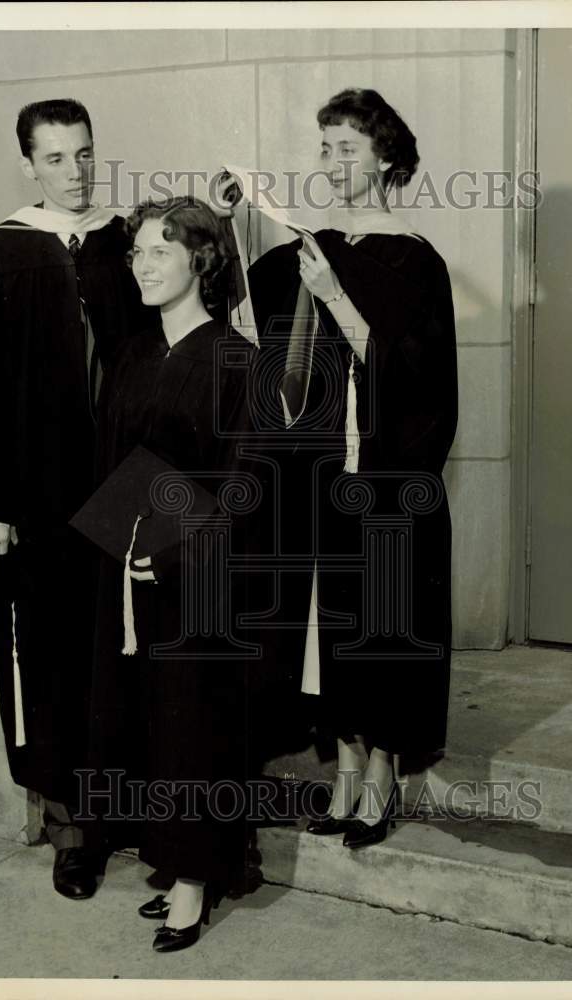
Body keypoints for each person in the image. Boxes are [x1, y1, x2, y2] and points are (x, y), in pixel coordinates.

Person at [215, 88, 458, 848]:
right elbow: (248, 318)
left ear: (385, 156)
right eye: (323, 148)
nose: (331, 163)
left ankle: (381, 780)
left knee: (382, 627)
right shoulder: (308, 246)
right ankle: (345, 774)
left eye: (345, 148)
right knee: (337, 627)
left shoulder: (414, 261)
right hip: (318, 478)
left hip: (386, 479)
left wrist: (336, 299)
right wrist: (225, 225)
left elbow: (417, 378)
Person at [0, 98, 152, 900]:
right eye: (55, 159)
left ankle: (131, 811)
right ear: (28, 164)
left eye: (84, 154)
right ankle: (73, 832)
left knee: (122, 654)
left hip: (120, 495)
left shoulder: (130, 243)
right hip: (31, 504)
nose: (75, 171)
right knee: (50, 665)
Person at [80, 196, 254, 952]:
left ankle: (194, 879)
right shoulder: (132, 355)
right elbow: (111, 462)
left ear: (200, 260)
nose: (143, 267)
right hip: (129, 567)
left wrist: (176, 552)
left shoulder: (237, 361)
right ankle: (174, 858)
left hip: (199, 576)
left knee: (193, 726)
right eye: (137, 254)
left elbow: (244, 484)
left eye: (160, 251)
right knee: (148, 721)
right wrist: (116, 547)